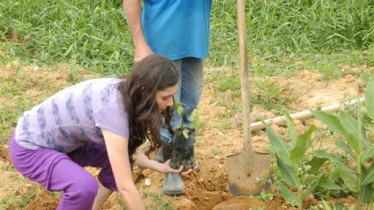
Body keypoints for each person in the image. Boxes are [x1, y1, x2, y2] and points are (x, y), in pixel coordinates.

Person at [9, 54, 193, 210]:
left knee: (119, 166)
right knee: (83, 187)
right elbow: (125, 187)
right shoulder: (113, 111)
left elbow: (124, 153)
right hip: (30, 148)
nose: (170, 103)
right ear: (146, 90)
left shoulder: (129, 92)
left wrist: (159, 167)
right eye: (165, 97)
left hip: (63, 144)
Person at [122, 0, 213, 195]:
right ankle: (173, 165)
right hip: (162, 39)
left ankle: (178, 153)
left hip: (196, 37)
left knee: (190, 101)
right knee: (169, 107)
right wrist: (139, 43)